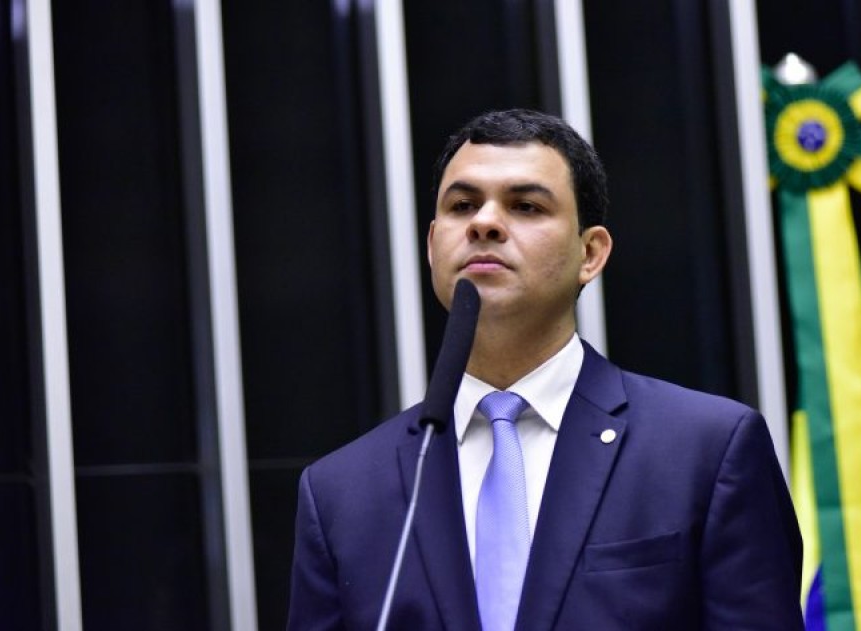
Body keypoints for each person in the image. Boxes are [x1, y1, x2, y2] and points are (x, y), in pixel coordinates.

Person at [287, 109, 803, 630]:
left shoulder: (706, 451)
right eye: (463, 205)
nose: (484, 223)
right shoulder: (341, 493)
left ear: (590, 253)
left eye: (526, 206)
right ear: (431, 245)